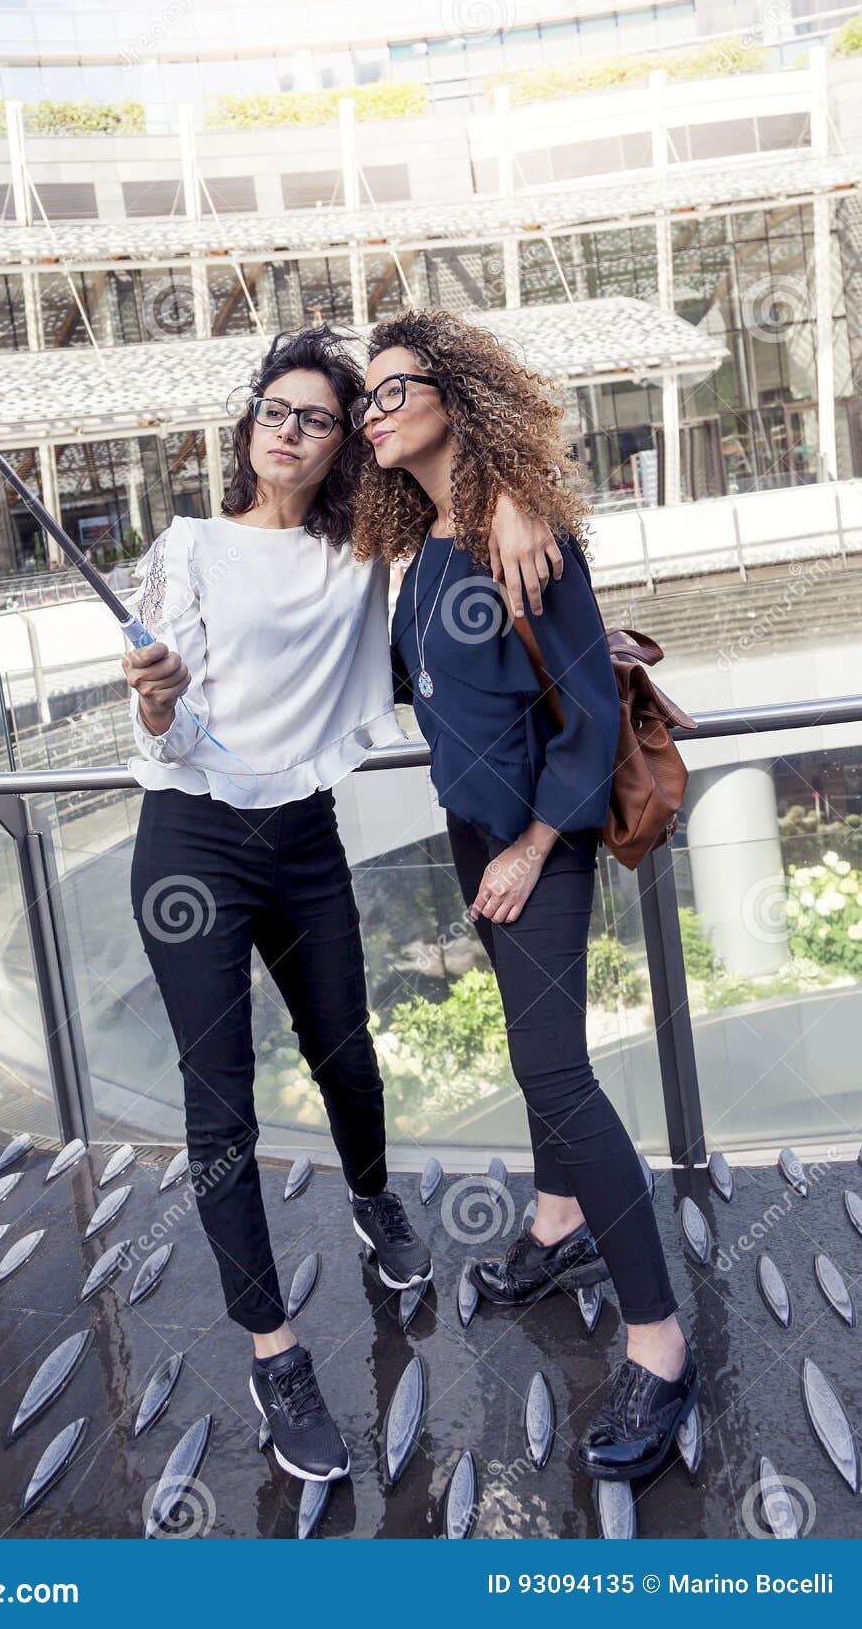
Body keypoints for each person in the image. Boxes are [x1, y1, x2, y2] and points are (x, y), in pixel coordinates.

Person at [122, 325, 551, 1484]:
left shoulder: (364, 553)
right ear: (248, 422)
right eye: (274, 407)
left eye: (317, 417)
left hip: (300, 838)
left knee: (347, 1057)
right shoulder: (191, 546)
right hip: (191, 846)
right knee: (221, 1116)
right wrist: (155, 695)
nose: (289, 428)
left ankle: (373, 1199)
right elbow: (156, 732)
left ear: (339, 448)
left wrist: (510, 501)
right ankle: (275, 1352)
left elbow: (452, 517)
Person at [350, 308, 699, 1483]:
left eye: (393, 390)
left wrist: (533, 840)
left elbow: (592, 712)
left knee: (555, 1071)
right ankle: (556, 1225)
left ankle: (656, 1342)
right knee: (526, 1050)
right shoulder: (433, 542)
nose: (374, 412)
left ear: (455, 394)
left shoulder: (520, 531)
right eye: (366, 400)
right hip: (476, 835)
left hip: (533, 848)